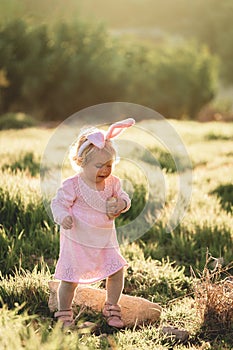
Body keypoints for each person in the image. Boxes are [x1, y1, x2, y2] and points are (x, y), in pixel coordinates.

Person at [51, 118, 135, 328]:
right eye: (99, 165)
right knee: (70, 279)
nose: (105, 170)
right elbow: (58, 203)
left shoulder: (113, 183)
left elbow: (125, 198)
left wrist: (121, 203)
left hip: (105, 241)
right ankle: (64, 312)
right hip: (78, 241)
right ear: (81, 162)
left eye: (109, 165)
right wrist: (63, 216)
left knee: (116, 270)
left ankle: (112, 306)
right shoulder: (73, 185)